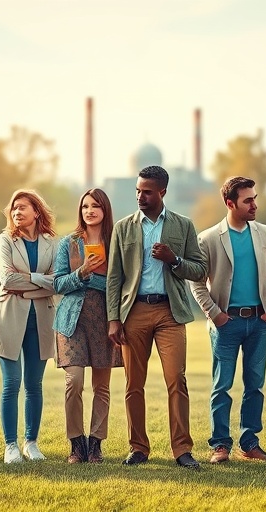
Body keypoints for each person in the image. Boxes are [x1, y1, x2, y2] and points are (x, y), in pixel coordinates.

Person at [106, 165, 208, 469]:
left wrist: (173, 260)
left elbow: (200, 270)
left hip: (170, 312)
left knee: (177, 378)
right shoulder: (124, 227)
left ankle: (182, 450)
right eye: (138, 190)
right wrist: (114, 319)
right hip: (133, 311)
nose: (140, 196)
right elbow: (114, 277)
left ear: (162, 192)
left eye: (147, 191)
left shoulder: (183, 225)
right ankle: (138, 447)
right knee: (133, 383)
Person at [189, 176, 266, 464]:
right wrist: (215, 314)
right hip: (225, 324)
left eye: (254, 198)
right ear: (230, 203)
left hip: (259, 322)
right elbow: (197, 283)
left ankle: (250, 442)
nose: (254, 204)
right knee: (222, 386)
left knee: (255, 385)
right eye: (248, 200)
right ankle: (220, 445)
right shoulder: (207, 238)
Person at [0, 189, 58, 464]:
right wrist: (40, 281)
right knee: (12, 383)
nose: (16, 212)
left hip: (40, 318)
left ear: (36, 212)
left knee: (34, 384)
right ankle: (10, 445)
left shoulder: (52, 242)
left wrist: (28, 280)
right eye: (13, 208)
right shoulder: (5, 240)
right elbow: (7, 280)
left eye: (22, 207)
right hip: (9, 316)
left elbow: (58, 282)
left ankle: (31, 442)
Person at [52, 188, 123, 464]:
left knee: (102, 387)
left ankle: (95, 444)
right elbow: (58, 284)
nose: (89, 211)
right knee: (74, 382)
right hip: (72, 322)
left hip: (106, 321)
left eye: (95, 206)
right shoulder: (68, 244)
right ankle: (75, 444)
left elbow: (121, 285)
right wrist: (82, 272)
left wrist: (94, 279)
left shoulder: (116, 242)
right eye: (85, 206)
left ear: (105, 210)